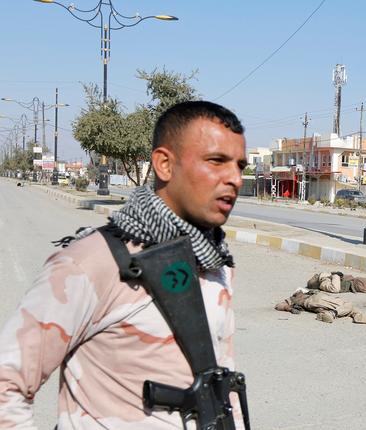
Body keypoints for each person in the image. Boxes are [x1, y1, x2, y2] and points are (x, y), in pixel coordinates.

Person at [0, 101, 248, 429]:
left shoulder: (214, 262)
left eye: (240, 165)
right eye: (216, 161)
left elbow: (220, 383)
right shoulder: (92, 261)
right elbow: (7, 386)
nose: (235, 178)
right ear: (164, 164)